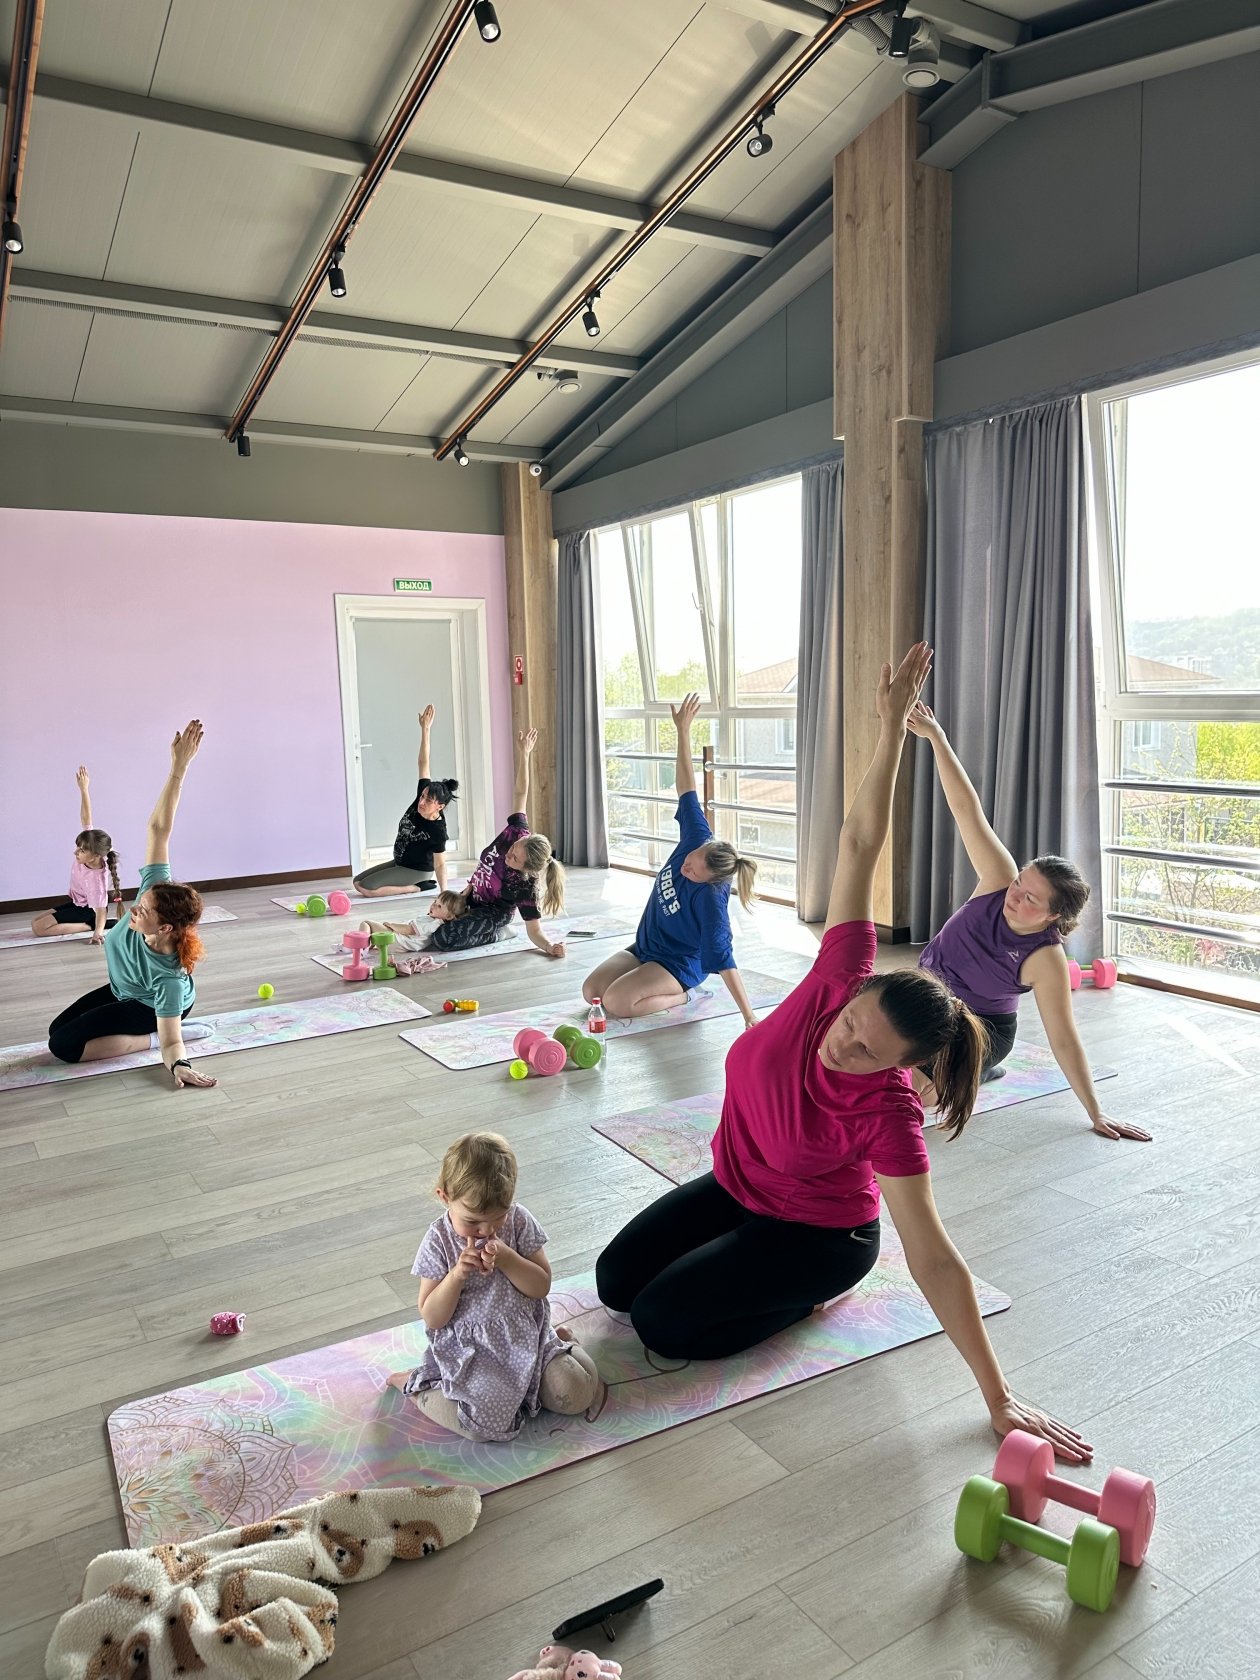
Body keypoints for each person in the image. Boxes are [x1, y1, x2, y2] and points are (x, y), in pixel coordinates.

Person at [596, 645, 1092, 1462]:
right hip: (743, 1185)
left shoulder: (889, 1113)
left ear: (900, 1070)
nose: (841, 1044)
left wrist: (997, 1396)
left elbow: (934, 1257)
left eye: (866, 1052)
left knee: (662, 1324)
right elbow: (860, 840)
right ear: (856, 991)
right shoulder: (836, 977)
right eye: (853, 1022)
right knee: (615, 1283)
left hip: (817, 1233)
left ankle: (809, 1299)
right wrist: (892, 728)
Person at [909, 700, 1151, 1143]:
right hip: (925, 998)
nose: (1014, 896)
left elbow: (1064, 1038)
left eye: (1030, 899)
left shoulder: (1044, 957)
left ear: (1053, 915)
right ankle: (967, 1070)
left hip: (979, 1028)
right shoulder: (997, 881)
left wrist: (1096, 1112)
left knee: (911, 1090)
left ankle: (980, 1067)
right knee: (854, 1043)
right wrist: (937, 738)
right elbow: (966, 810)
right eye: (1020, 883)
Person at [387, 1132, 604, 1440]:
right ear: (444, 1197)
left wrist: (508, 1259)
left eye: (498, 1218)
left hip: (529, 1337)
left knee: (577, 1393)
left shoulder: (519, 1221)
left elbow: (541, 1286)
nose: (487, 1230)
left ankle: (564, 1342)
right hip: (473, 1354)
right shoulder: (438, 1241)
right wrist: (457, 1275)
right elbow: (433, 1317)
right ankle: (418, 1385)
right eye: (473, 1221)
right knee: (484, 1426)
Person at [46, 722, 219, 1090]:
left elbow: (173, 1044)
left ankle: (150, 1037)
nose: (134, 909)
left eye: (144, 910)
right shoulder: (154, 894)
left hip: (147, 1003)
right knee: (56, 1030)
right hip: (123, 988)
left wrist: (177, 1062)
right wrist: (179, 767)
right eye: (142, 901)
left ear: (166, 928)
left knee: (64, 1047)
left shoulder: (168, 980)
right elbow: (159, 829)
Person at [582, 693, 759, 1027]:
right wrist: (683, 731)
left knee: (617, 1003)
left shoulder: (712, 901)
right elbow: (687, 788)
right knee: (592, 992)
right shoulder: (697, 836)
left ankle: (685, 995)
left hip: (678, 964)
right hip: (646, 947)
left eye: (693, 873)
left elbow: (725, 960)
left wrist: (749, 1016)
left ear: (709, 881)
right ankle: (647, 983)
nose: (685, 867)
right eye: (691, 860)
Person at [428, 729, 566, 958]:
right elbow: (521, 793)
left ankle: (499, 934)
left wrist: (550, 947)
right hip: (469, 896)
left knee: (443, 938)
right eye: (513, 849)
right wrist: (524, 754)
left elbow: (534, 930)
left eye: (514, 859)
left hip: (492, 913)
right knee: (430, 920)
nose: (508, 855)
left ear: (526, 869)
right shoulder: (517, 831)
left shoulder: (524, 887)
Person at [352, 704, 458, 898]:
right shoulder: (421, 797)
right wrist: (425, 729)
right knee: (357, 882)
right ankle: (412, 883)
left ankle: (418, 887)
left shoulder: (438, 830)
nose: (422, 802)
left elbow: (440, 864)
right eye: (422, 796)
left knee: (367, 889)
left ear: (440, 806)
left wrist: (444, 894)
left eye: (428, 800)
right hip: (400, 862)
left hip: (417, 870)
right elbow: (423, 762)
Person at [30, 766, 122, 944]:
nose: (76, 852)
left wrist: (97, 933)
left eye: (81, 850)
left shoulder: (97, 880)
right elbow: (87, 818)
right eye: (78, 847)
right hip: (76, 903)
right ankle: (91, 923)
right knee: (35, 922)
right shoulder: (90, 845)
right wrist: (84, 789)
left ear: (95, 856)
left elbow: (101, 910)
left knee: (39, 929)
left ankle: (88, 925)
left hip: (87, 910)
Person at [360, 890, 469, 950]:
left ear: (449, 916)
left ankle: (360, 947)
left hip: (397, 940)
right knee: (372, 933)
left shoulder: (432, 923)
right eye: (435, 902)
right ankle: (367, 945)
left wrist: (392, 925)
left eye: (439, 906)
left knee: (367, 923)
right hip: (402, 944)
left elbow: (409, 930)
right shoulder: (436, 922)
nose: (433, 905)